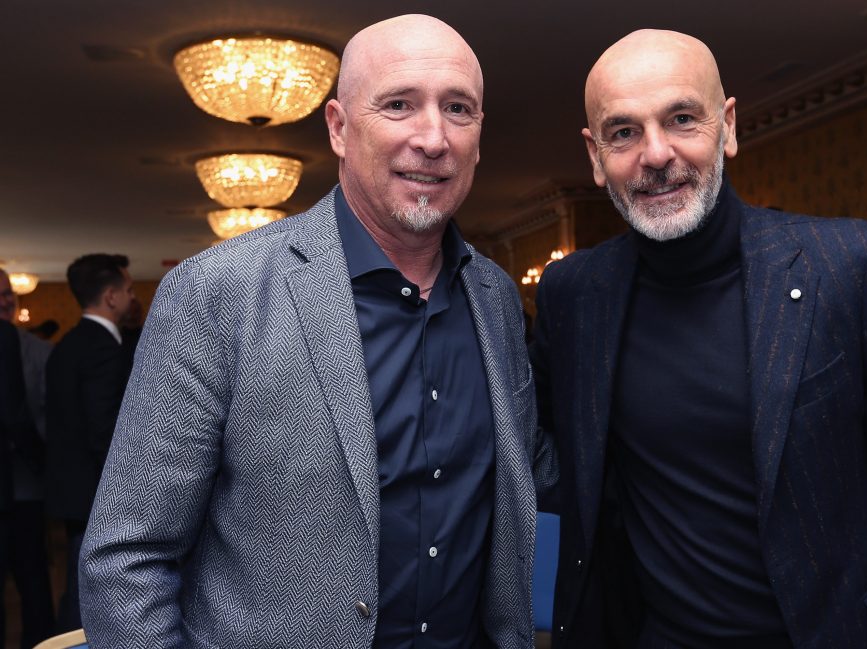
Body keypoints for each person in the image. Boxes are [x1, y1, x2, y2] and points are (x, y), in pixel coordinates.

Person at [81, 14, 555, 649]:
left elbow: (537, 471)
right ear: (338, 127)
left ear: (478, 134)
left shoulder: (495, 298)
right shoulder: (219, 291)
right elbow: (126, 557)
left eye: (458, 109)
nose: (433, 137)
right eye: (398, 104)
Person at [531, 30, 867, 648]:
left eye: (682, 119)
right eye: (623, 132)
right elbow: (537, 447)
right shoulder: (574, 294)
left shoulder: (852, 265)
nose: (656, 153)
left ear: (728, 126)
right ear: (595, 157)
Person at [46, 253, 133, 631]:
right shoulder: (103, 348)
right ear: (111, 297)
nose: (132, 297)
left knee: (79, 585)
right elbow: (104, 429)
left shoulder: (66, 345)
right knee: (91, 593)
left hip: (70, 489)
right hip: (96, 491)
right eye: (128, 290)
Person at [0, 269, 54, 647]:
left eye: (8, 293)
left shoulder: (37, 349)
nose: (6, 300)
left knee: (34, 581)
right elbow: (13, 413)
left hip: (26, 486)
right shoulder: (7, 340)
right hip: (15, 480)